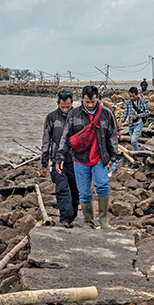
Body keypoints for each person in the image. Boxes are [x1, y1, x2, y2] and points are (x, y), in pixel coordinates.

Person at [54, 86, 120, 229]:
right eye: (87, 102)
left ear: (97, 98)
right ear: (82, 98)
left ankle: (103, 220)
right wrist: (60, 157)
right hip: (79, 159)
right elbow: (66, 136)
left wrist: (114, 157)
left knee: (103, 186)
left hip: (99, 158)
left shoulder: (106, 114)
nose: (90, 105)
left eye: (93, 102)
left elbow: (113, 136)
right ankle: (88, 222)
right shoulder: (74, 114)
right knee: (84, 193)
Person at [41, 91, 79, 228]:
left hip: (76, 160)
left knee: (75, 192)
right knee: (62, 188)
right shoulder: (51, 118)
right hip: (57, 161)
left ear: (72, 104)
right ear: (57, 103)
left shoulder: (78, 116)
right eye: (62, 107)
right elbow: (46, 140)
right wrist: (44, 162)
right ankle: (65, 219)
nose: (65, 110)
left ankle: (72, 215)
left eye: (67, 107)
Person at [119, 86, 149, 152]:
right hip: (131, 124)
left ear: (137, 94)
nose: (131, 98)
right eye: (130, 96)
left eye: (133, 96)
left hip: (139, 123)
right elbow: (126, 112)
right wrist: (122, 121)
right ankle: (137, 153)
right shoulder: (128, 102)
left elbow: (146, 113)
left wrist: (138, 116)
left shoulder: (142, 102)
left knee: (133, 140)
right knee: (134, 141)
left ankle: (137, 153)